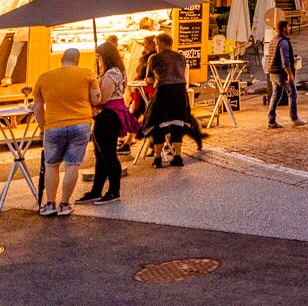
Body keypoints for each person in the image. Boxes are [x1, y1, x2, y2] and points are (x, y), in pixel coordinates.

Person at [33, 48, 98, 216]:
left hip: (53, 125)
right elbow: (96, 98)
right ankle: (64, 204)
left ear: (61, 59)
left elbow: (38, 107)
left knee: (51, 165)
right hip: (80, 123)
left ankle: (49, 205)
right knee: (72, 165)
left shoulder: (44, 77)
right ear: (78, 60)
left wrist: (42, 126)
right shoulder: (87, 74)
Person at [81, 42, 134, 205]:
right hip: (112, 114)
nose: (98, 60)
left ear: (105, 57)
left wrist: (92, 93)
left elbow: (102, 98)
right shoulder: (118, 72)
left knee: (108, 155)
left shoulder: (111, 74)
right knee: (101, 155)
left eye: (99, 57)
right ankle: (97, 190)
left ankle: (113, 191)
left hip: (108, 116)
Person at [143, 33, 204, 167]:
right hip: (181, 92)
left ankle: (157, 158)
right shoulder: (181, 57)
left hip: (164, 92)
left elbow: (149, 79)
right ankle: (178, 157)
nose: (156, 46)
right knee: (178, 123)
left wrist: (150, 80)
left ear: (163, 44)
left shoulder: (154, 58)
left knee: (157, 123)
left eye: (157, 43)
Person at [267, 28, 305, 128]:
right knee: (292, 93)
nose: (289, 29)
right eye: (288, 27)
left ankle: (271, 121)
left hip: (273, 72)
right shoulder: (283, 42)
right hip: (281, 73)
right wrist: (289, 74)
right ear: (284, 28)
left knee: (275, 96)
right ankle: (294, 118)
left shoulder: (273, 40)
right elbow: (285, 60)